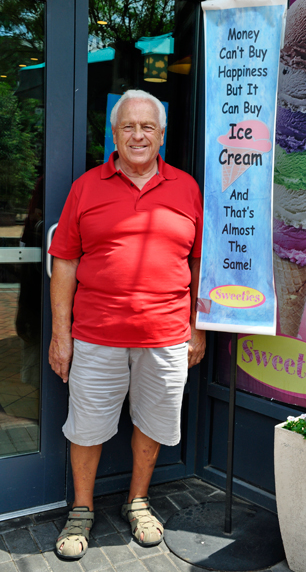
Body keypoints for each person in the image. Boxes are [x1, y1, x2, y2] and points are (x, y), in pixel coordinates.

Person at [48, 89, 205, 560]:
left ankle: (138, 500)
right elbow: (65, 261)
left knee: (153, 425)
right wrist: (61, 335)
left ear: (161, 134)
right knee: (87, 427)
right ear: (114, 134)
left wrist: (198, 328)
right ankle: (81, 508)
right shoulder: (86, 187)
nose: (138, 135)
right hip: (96, 335)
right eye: (128, 127)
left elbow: (200, 263)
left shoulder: (187, 187)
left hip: (166, 335)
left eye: (148, 127)